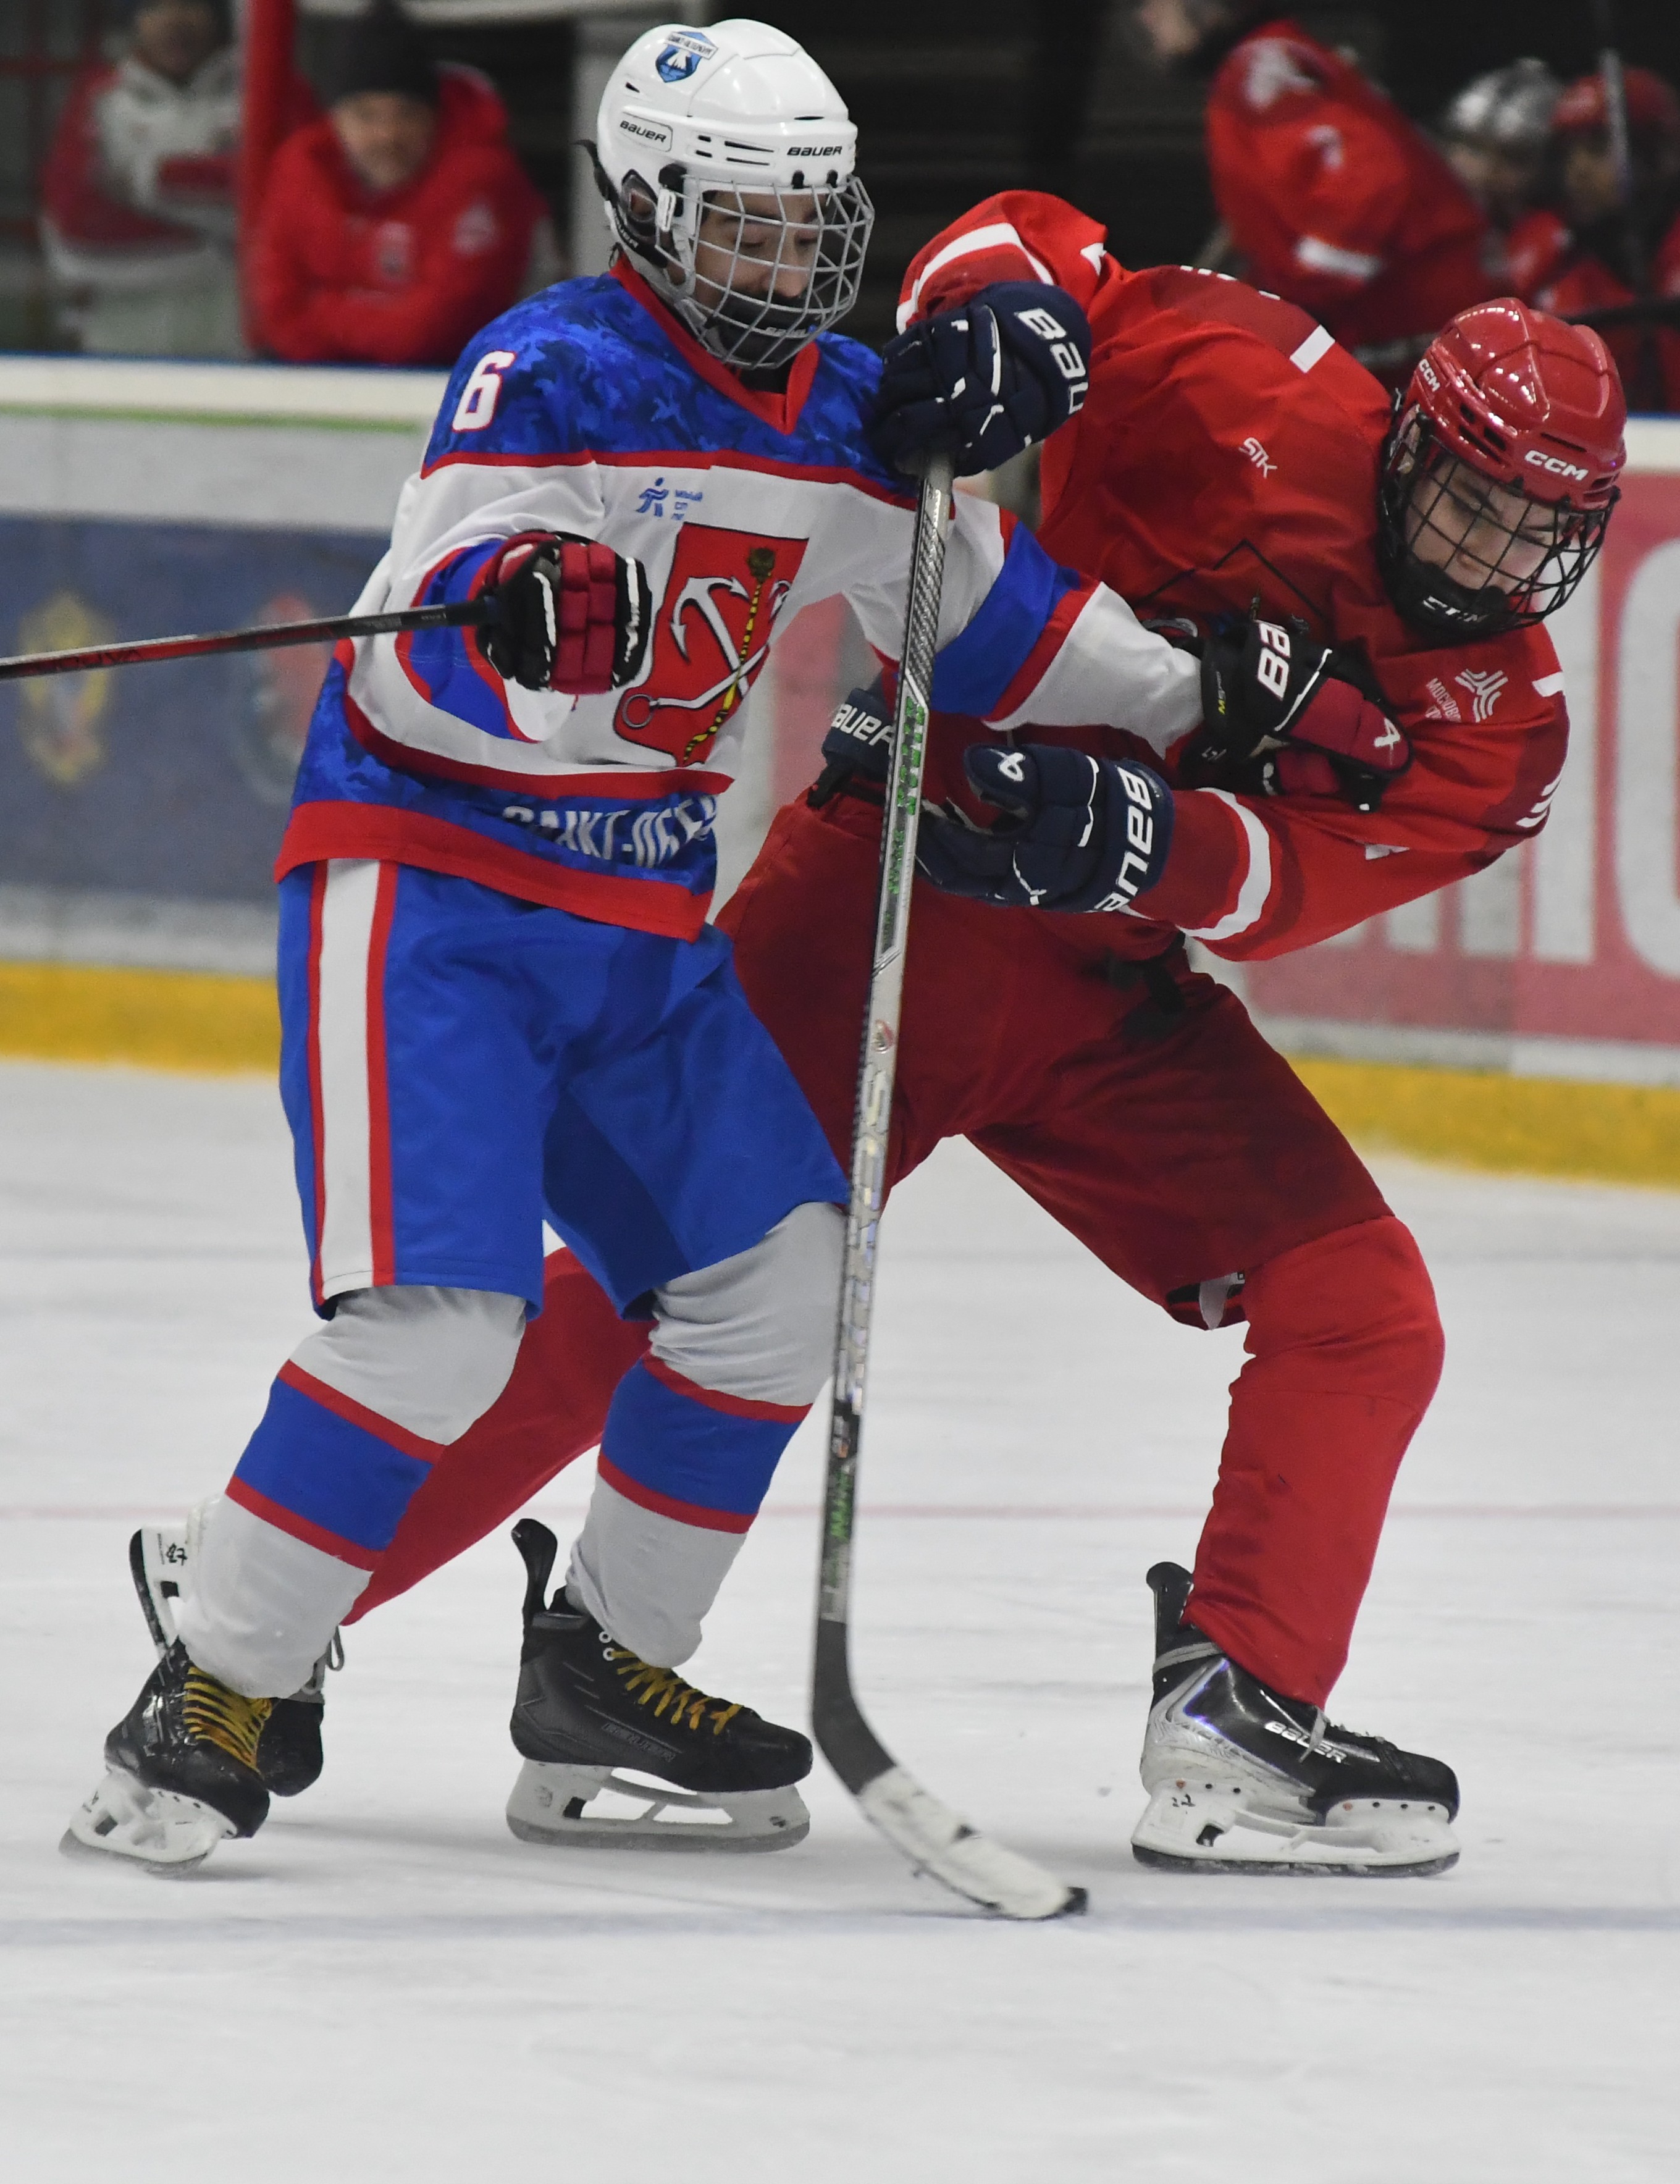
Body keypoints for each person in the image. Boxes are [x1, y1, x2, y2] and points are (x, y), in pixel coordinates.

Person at [304, 192, 1623, 1879]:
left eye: (1537, 532)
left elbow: (1287, 886)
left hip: (1105, 991)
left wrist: (1138, 838)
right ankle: (275, 1592)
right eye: (1473, 501)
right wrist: (1008, 323)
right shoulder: (1251, 376)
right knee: (673, 1282)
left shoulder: (1503, 719)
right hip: (889, 897)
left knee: (1363, 1306)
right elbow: (1023, 243)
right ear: (1408, 435)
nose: (1494, 557)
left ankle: (1239, 1719)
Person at [65, 25, 1248, 1873]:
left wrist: (1213, 700)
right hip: (435, 898)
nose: (785, 254)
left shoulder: (847, 413)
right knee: (440, 1328)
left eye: (808, 217)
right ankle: (210, 1686)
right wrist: (513, 615)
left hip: (638, 933)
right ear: (647, 210)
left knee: (779, 1283)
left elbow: (993, 622)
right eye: (743, 218)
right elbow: (414, 647)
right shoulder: (550, 369)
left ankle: (608, 1664)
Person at [1132, 2, 1497, 379]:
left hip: (1416, 320)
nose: (1146, 16)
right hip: (1417, 318)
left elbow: (1372, 174)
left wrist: (1309, 301)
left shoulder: (1259, 67)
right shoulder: (1265, 61)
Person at [249, 2, 550, 369]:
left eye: (406, 114)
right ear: (335, 120)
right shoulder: (302, 168)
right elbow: (278, 316)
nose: (388, 135)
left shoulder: (481, 179)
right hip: (322, 379)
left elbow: (439, 329)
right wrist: (382, 317)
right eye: (366, 116)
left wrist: (326, 309)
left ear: (434, 118)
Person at [40, 0, 260, 357]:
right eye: (155, 5)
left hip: (232, 346)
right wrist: (217, 243)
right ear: (134, 19)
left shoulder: (262, 94)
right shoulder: (102, 101)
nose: (175, 19)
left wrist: (149, 182)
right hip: (121, 345)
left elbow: (280, 208)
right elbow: (74, 234)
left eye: (192, 4)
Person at [1521, 68, 1680, 414]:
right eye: (1570, 153)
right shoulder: (1545, 251)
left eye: (1596, 150)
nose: (1578, 170)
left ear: (1658, 155)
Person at [1438, 58, 1563, 292]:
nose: (1484, 173)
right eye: (1473, 149)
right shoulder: (1421, 224)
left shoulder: (1557, 245)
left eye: (1512, 158)